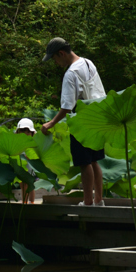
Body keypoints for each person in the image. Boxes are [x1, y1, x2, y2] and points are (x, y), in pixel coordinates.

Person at [39, 37, 106, 207]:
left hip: (81, 119)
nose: (55, 63)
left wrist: (51, 123)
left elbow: (67, 107)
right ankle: (99, 200)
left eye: (54, 59)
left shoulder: (71, 74)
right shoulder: (88, 63)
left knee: (84, 163)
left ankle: (88, 202)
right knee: (94, 160)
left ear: (61, 53)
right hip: (97, 116)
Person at [15, 117, 37, 204]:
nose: (25, 133)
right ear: (18, 132)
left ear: (32, 133)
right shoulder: (16, 142)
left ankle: (30, 202)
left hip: (30, 168)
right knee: (23, 185)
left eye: (28, 132)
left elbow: (35, 155)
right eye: (23, 131)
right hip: (21, 167)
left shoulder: (33, 143)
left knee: (29, 186)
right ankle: (25, 202)